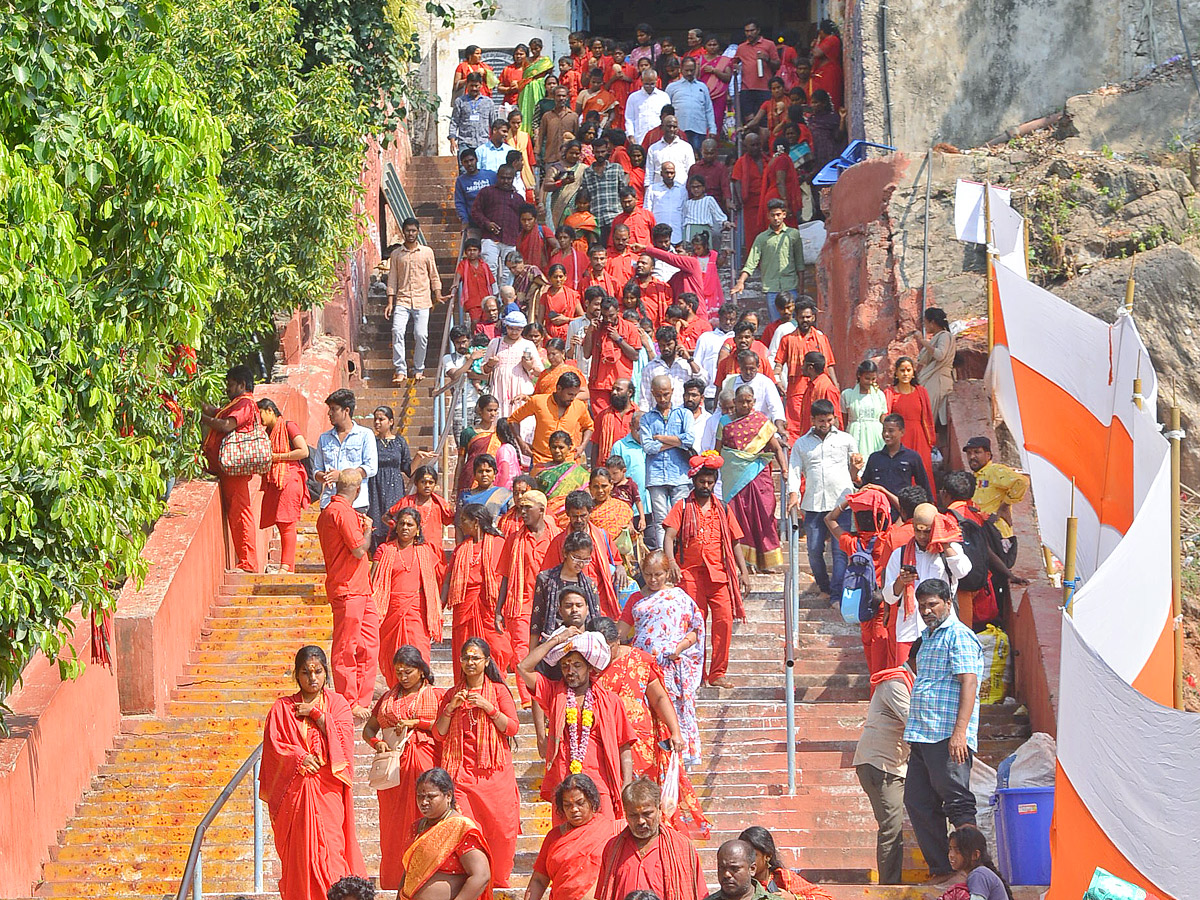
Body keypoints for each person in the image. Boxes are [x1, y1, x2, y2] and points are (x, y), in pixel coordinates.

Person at [261, 646, 365, 900]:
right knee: (300, 855)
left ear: (326, 673)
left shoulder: (337, 704)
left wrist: (318, 715)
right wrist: (299, 758)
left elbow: (344, 743)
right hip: (296, 795)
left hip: (327, 789)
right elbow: (275, 747)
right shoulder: (282, 708)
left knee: (331, 850)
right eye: (305, 672)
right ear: (297, 675)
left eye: (318, 671)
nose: (312, 678)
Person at [903, 579, 984, 879]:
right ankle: (942, 869)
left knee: (958, 802)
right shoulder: (928, 638)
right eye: (922, 605)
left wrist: (960, 731)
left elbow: (969, 682)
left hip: (948, 736)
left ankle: (973, 872)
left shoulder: (958, 636)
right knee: (918, 801)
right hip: (922, 735)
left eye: (932, 604)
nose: (926, 610)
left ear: (948, 603)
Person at [518, 629, 636, 823]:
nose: (570, 671)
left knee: (603, 843)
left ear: (590, 667)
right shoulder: (554, 695)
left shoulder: (611, 701)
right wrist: (556, 640)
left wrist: (627, 783)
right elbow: (523, 668)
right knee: (565, 846)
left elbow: (624, 746)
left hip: (600, 784)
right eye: (565, 665)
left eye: (577, 665)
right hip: (565, 786)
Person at [432, 643, 519, 888]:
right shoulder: (451, 694)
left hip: (494, 774)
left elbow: (512, 727)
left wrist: (488, 707)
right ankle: (475, 881)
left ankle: (498, 881)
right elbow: (439, 734)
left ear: (487, 661)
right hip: (461, 774)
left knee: (502, 831)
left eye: (476, 658)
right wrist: (450, 709)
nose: (470, 662)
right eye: (466, 658)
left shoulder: (499, 691)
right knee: (467, 831)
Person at [662, 457, 750, 687]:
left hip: (718, 574)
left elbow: (735, 541)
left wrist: (744, 572)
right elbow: (669, 536)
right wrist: (671, 562)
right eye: (702, 481)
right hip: (689, 574)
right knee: (694, 624)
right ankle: (696, 674)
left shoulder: (722, 508)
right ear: (694, 481)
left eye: (710, 482)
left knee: (724, 621)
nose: (706, 486)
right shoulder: (681, 506)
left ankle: (718, 673)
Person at [363, 646, 444, 887]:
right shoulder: (388, 697)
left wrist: (417, 723)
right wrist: (377, 744)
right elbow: (369, 729)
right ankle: (394, 878)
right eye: (398, 672)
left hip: (425, 764)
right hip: (393, 772)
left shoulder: (437, 695)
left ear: (421, 671)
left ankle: (429, 877)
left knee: (426, 817)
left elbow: (444, 728)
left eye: (408, 671)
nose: (403, 677)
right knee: (394, 825)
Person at [617, 550, 704, 762]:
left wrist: (679, 647)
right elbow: (620, 632)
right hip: (643, 667)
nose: (653, 580)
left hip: (671, 668)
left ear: (667, 573)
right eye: (648, 575)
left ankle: (679, 757)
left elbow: (696, 630)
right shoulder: (635, 599)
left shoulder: (679, 598)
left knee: (672, 710)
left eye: (658, 575)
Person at [315, 471, 379, 717]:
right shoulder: (341, 513)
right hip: (348, 589)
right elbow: (358, 549)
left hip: (359, 588)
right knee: (347, 647)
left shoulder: (333, 512)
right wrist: (368, 529)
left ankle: (360, 698)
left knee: (368, 646)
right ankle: (348, 701)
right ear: (358, 490)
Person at [883, 505, 972, 669]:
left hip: (941, 628)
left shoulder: (950, 550)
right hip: (910, 629)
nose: (922, 536)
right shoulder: (900, 554)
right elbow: (888, 597)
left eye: (927, 531)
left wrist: (943, 543)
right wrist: (901, 581)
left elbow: (962, 571)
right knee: (906, 681)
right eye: (918, 531)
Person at [852, 647, 913, 885]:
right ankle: (890, 887)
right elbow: (914, 721)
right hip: (881, 765)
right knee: (891, 828)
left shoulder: (910, 683)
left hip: (894, 764)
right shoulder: (896, 683)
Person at [786, 398, 857, 596]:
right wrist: (793, 494)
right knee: (814, 550)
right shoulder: (802, 444)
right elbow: (794, 470)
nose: (825, 425)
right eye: (821, 421)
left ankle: (837, 593)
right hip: (814, 505)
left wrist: (857, 467)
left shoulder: (846, 440)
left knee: (840, 551)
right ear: (812, 420)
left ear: (834, 418)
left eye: (828, 420)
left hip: (841, 503)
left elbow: (858, 467)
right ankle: (824, 587)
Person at [495, 489, 561, 705]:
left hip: (550, 603)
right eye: (520, 507)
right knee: (522, 649)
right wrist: (498, 610)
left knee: (549, 650)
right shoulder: (514, 539)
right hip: (520, 603)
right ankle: (526, 698)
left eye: (527, 508)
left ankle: (544, 697)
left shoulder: (557, 536)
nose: (522, 512)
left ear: (541, 510)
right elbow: (505, 575)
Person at [595, 777, 708, 900]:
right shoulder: (612, 849)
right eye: (633, 815)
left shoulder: (682, 847)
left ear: (659, 809)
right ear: (626, 813)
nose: (641, 821)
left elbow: (700, 894)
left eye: (647, 814)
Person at [718, 385, 790, 572]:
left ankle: (767, 562)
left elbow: (775, 448)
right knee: (738, 520)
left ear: (754, 402)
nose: (745, 404)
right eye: (741, 401)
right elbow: (719, 451)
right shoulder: (725, 422)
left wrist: (784, 470)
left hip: (759, 477)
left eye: (749, 401)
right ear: (734, 402)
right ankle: (744, 564)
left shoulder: (762, 422)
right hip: (734, 479)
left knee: (764, 517)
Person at [372, 502, 447, 680]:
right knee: (391, 655)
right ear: (395, 526)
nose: (405, 528)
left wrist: (436, 608)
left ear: (417, 529)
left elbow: (435, 583)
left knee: (420, 653)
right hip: (389, 610)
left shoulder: (426, 552)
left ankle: (421, 695)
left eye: (410, 524)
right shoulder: (384, 550)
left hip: (417, 611)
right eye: (402, 524)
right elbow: (373, 581)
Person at [199, 365, 261, 572]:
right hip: (227, 470)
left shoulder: (245, 403)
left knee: (240, 514)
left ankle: (248, 562)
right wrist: (198, 406)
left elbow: (226, 425)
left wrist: (202, 419)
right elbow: (218, 413)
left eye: (231, 385)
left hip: (235, 470)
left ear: (242, 385)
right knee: (237, 513)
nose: (227, 389)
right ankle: (245, 560)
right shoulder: (237, 403)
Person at [399, 767, 494, 900]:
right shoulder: (417, 827)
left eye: (431, 797)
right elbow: (409, 871)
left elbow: (481, 875)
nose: (424, 802)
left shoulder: (460, 828)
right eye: (420, 796)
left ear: (448, 795)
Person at [528, 774, 623, 900]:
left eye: (580, 803)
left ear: (591, 801)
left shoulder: (610, 831)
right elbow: (539, 880)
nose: (574, 809)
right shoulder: (554, 837)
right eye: (567, 805)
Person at [964, 435, 1028, 613]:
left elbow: (1021, 482)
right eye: (969, 453)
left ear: (988, 454)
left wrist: (1005, 505)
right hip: (982, 532)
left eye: (977, 452)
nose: (972, 457)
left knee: (996, 578)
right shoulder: (975, 477)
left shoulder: (995, 471)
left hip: (996, 534)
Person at [542, 489, 626, 618]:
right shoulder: (559, 542)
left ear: (590, 512)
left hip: (601, 604)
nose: (579, 520)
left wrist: (620, 568)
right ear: (568, 514)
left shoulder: (602, 536)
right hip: (572, 608)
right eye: (575, 516)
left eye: (583, 515)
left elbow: (616, 560)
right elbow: (548, 576)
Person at [445, 504, 507, 665]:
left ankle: (493, 686)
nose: (461, 524)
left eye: (464, 520)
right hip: (464, 606)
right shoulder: (460, 550)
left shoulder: (500, 544)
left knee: (497, 647)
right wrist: (439, 607)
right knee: (464, 648)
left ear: (476, 522)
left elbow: (506, 579)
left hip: (490, 606)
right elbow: (448, 580)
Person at [386, 217, 445, 384]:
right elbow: (392, 279)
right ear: (403, 232)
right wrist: (390, 302)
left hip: (422, 300)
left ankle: (419, 368)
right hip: (402, 300)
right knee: (397, 331)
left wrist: (438, 294)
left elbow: (433, 275)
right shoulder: (396, 254)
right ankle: (400, 370)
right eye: (408, 231)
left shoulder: (427, 252)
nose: (410, 234)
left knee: (421, 334)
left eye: (413, 231)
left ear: (418, 232)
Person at [640, 374, 696, 551]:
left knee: (681, 517)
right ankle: (665, 556)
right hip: (656, 476)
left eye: (666, 394)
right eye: (658, 395)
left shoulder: (684, 414)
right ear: (652, 394)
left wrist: (662, 439)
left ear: (672, 392)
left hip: (680, 474)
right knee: (660, 519)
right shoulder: (646, 418)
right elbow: (648, 446)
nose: (663, 399)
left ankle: (681, 554)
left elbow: (689, 440)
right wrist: (675, 442)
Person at [257, 398, 310, 573]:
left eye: (261, 413)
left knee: (287, 522)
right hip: (276, 480)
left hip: (290, 478)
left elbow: (303, 451)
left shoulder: (288, 426)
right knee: (281, 523)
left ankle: (286, 566)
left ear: (270, 410)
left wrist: (277, 457)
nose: (260, 418)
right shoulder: (267, 432)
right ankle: (288, 566)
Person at [312, 388, 378, 516]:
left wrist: (341, 476)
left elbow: (371, 468)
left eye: (334, 409)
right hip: (329, 501)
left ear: (346, 410)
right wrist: (326, 476)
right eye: (329, 409)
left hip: (356, 503)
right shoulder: (324, 438)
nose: (329, 413)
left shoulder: (365, 435)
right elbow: (316, 470)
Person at [509, 371, 594, 468]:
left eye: (575, 394)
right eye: (570, 394)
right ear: (559, 389)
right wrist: (521, 444)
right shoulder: (538, 401)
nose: (573, 398)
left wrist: (582, 447)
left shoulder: (579, 406)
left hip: (568, 462)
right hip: (541, 461)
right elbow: (513, 420)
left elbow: (589, 427)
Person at [736, 827, 834, 900]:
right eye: (743, 855)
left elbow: (826, 898)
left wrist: (794, 898)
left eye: (753, 855)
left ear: (767, 856)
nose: (746, 860)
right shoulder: (738, 881)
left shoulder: (783, 878)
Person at [584, 296, 642, 417]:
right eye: (604, 316)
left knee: (621, 418)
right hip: (599, 385)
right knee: (601, 420)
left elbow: (635, 355)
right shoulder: (596, 327)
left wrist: (619, 339)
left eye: (611, 315)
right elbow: (586, 353)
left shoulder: (629, 328)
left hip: (620, 384)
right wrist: (590, 331)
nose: (607, 319)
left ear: (617, 311)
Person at [366, 405, 412, 550]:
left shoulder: (399, 442)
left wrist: (418, 458)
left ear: (391, 421)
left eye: (381, 419)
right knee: (375, 520)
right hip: (375, 486)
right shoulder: (371, 442)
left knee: (395, 518)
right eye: (375, 419)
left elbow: (407, 468)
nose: (377, 423)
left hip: (394, 486)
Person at [860, 413, 931, 506]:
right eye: (884, 431)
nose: (886, 434)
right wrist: (854, 474)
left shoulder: (912, 457)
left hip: (902, 511)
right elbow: (864, 484)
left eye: (891, 431)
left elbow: (923, 485)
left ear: (902, 432)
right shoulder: (874, 458)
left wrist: (928, 506)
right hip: (879, 510)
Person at [886, 356, 936, 487]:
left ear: (913, 372)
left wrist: (931, 439)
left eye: (908, 370)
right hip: (900, 437)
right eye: (902, 370)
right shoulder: (890, 393)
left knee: (923, 471)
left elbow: (928, 417)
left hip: (920, 437)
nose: (905, 373)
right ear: (896, 373)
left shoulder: (921, 392)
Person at [472, 164, 524, 289]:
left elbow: (523, 220)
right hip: (490, 238)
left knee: (509, 271)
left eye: (509, 178)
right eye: (503, 178)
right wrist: (487, 223)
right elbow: (475, 212)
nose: (506, 181)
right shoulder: (487, 192)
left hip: (510, 239)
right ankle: (492, 298)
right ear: (497, 177)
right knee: (490, 268)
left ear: (513, 178)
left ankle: (505, 299)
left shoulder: (518, 198)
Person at [483, 310, 541, 418]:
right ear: (506, 326)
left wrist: (529, 366)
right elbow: (485, 369)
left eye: (518, 329)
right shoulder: (495, 343)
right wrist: (491, 364)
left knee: (522, 421)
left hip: (521, 390)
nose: (514, 332)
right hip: (500, 389)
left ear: (522, 329)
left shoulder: (528, 345)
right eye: (511, 328)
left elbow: (540, 371)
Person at [579, 136, 630, 243]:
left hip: (615, 216)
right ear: (593, 152)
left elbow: (623, 192)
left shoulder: (616, 168)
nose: (600, 155)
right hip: (596, 219)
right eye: (597, 152)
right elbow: (585, 196)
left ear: (607, 151)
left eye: (602, 151)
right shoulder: (588, 172)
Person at [390, 464, 456, 546]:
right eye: (423, 482)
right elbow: (387, 516)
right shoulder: (407, 501)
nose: (427, 486)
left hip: (433, 550)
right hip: (411, 548)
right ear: (416, 483)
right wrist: (397, 527)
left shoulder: (439, 504)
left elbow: (451, 520)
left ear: (435, 484)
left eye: (431, 482)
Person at [914, 307, 956, 428]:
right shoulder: (936, 337)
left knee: (927, 415)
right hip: (932, 378)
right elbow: (924, 360)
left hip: (938, 380)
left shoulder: (944, 336)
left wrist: (922, 341)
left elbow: (940, 355)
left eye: (926, 323)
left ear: (932, 322)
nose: (925, 326)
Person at [949, 825, 1014, 900]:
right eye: (950, 849)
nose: (951, 855)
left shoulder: (978, 875)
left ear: (975, 855)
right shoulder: (980, 873)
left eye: (958, 850)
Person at [589, 467, 639, 561]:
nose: (600, 490)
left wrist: (629, 531)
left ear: (611, 485)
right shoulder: (587, 512)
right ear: (590, 487)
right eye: (596, 487)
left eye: (604, 486)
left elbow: (633, 536)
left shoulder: (621, 507)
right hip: (597, 558)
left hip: (622, 558)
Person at [665, 58, 715, 152]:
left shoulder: (702, 87)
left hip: (699, 129)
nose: (689, 73)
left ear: (696, 69)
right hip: (679, 129)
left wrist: (712, 129)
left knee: (697, 156)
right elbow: (666, 110)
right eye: (686, 70)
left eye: (691, 70)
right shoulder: (672, 87)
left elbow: (708, 109)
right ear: (681, 69)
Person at [842, 360, 887, 457]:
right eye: (867, 378)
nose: (870, 382)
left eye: (873, 379)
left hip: (876, 437)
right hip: (855, 435)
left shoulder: (880, 395)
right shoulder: (847, 394)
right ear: (859, 375)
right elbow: (844, 421)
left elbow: (883, 420)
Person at [730, 132, 766, 247]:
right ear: (746, 146)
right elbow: (736, 182)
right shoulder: (741, 162)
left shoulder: (767, 159)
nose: (756, 148)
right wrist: (739, 201)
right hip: (750, 205)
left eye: (757, 144)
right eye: (752, 145)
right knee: (753, 237)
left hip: (767, 203)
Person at [795, 351, 842, 438]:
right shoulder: (810, 386)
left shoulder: (828, 389)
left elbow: (835, 420)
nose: (801, 367)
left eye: (803, 364)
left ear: (810, 368)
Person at [449, 73, 496, 156]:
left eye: (476, 86)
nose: (474, 88)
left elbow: (494, 124)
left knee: (483, 168)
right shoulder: (460, 101)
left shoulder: (488, 102)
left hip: (483, 143)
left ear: (481, 85)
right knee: (464, 169)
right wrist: (452, 140)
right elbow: (454, 122)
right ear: (467, 85)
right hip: (465, 143)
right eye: (471, 86)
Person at [593, 378, 637, 464]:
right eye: (613, 389)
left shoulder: (638, 416)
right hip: (607, 467)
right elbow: (595, 444)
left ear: (629, 392)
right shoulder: (603, 415)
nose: (614, 392)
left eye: (619, 389)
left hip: (631, 466)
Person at [644, 162, 687, 244]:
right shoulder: (652, 189)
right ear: (661, 173)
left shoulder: (681, 189)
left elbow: (684, 212)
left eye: (672, 173)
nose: (669, 175)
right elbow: (647, 212)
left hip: (677, 235)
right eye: (667, 172)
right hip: (658, 236)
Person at [625, 68, 671, 146]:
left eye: (652, 84)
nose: (649, 86)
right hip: (639, 138)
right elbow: (629, 118)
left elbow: (668, 118)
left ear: (656, 81)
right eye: (646, 84)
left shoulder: (664, 97)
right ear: (642, 81)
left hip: (658, 139)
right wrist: (631, 135)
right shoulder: (633, 97)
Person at [540, 265, 583, 342]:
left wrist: (567, 319)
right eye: (555, 277)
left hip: (570, 336)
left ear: (565, 277)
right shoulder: (545, 297)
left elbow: (582, 317)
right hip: (550, 338)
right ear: (550, 278)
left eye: (561, 276)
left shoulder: (572, 295)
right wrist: (547, 336)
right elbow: (540, 322)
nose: (558, 280)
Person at [539, 85, 579, 168]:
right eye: (558, 96)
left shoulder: (573, 116)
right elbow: (541, 137)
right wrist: (537, 153)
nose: (561, 98)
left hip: (568, 160)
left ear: (567, 97)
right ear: (554, 97)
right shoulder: (547, 116)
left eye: (563, 96)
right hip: (551, 158)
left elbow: (577, 137)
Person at [809, 19, 844, 110]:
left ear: (822, 31)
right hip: (823, 74)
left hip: (829, 73)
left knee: (830, 97)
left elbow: (817, 53)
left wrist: (816, 43)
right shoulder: (829, 39)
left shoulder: (832, 39)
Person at [611, 186, 657, 251]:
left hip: (645, 255)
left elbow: (655, 236)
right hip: (627, 257)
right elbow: (611, 243)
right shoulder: (617, 220)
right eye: (624, 202)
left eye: (629, 201)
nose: (627, 205)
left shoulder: (647, 215)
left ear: (636, 198)